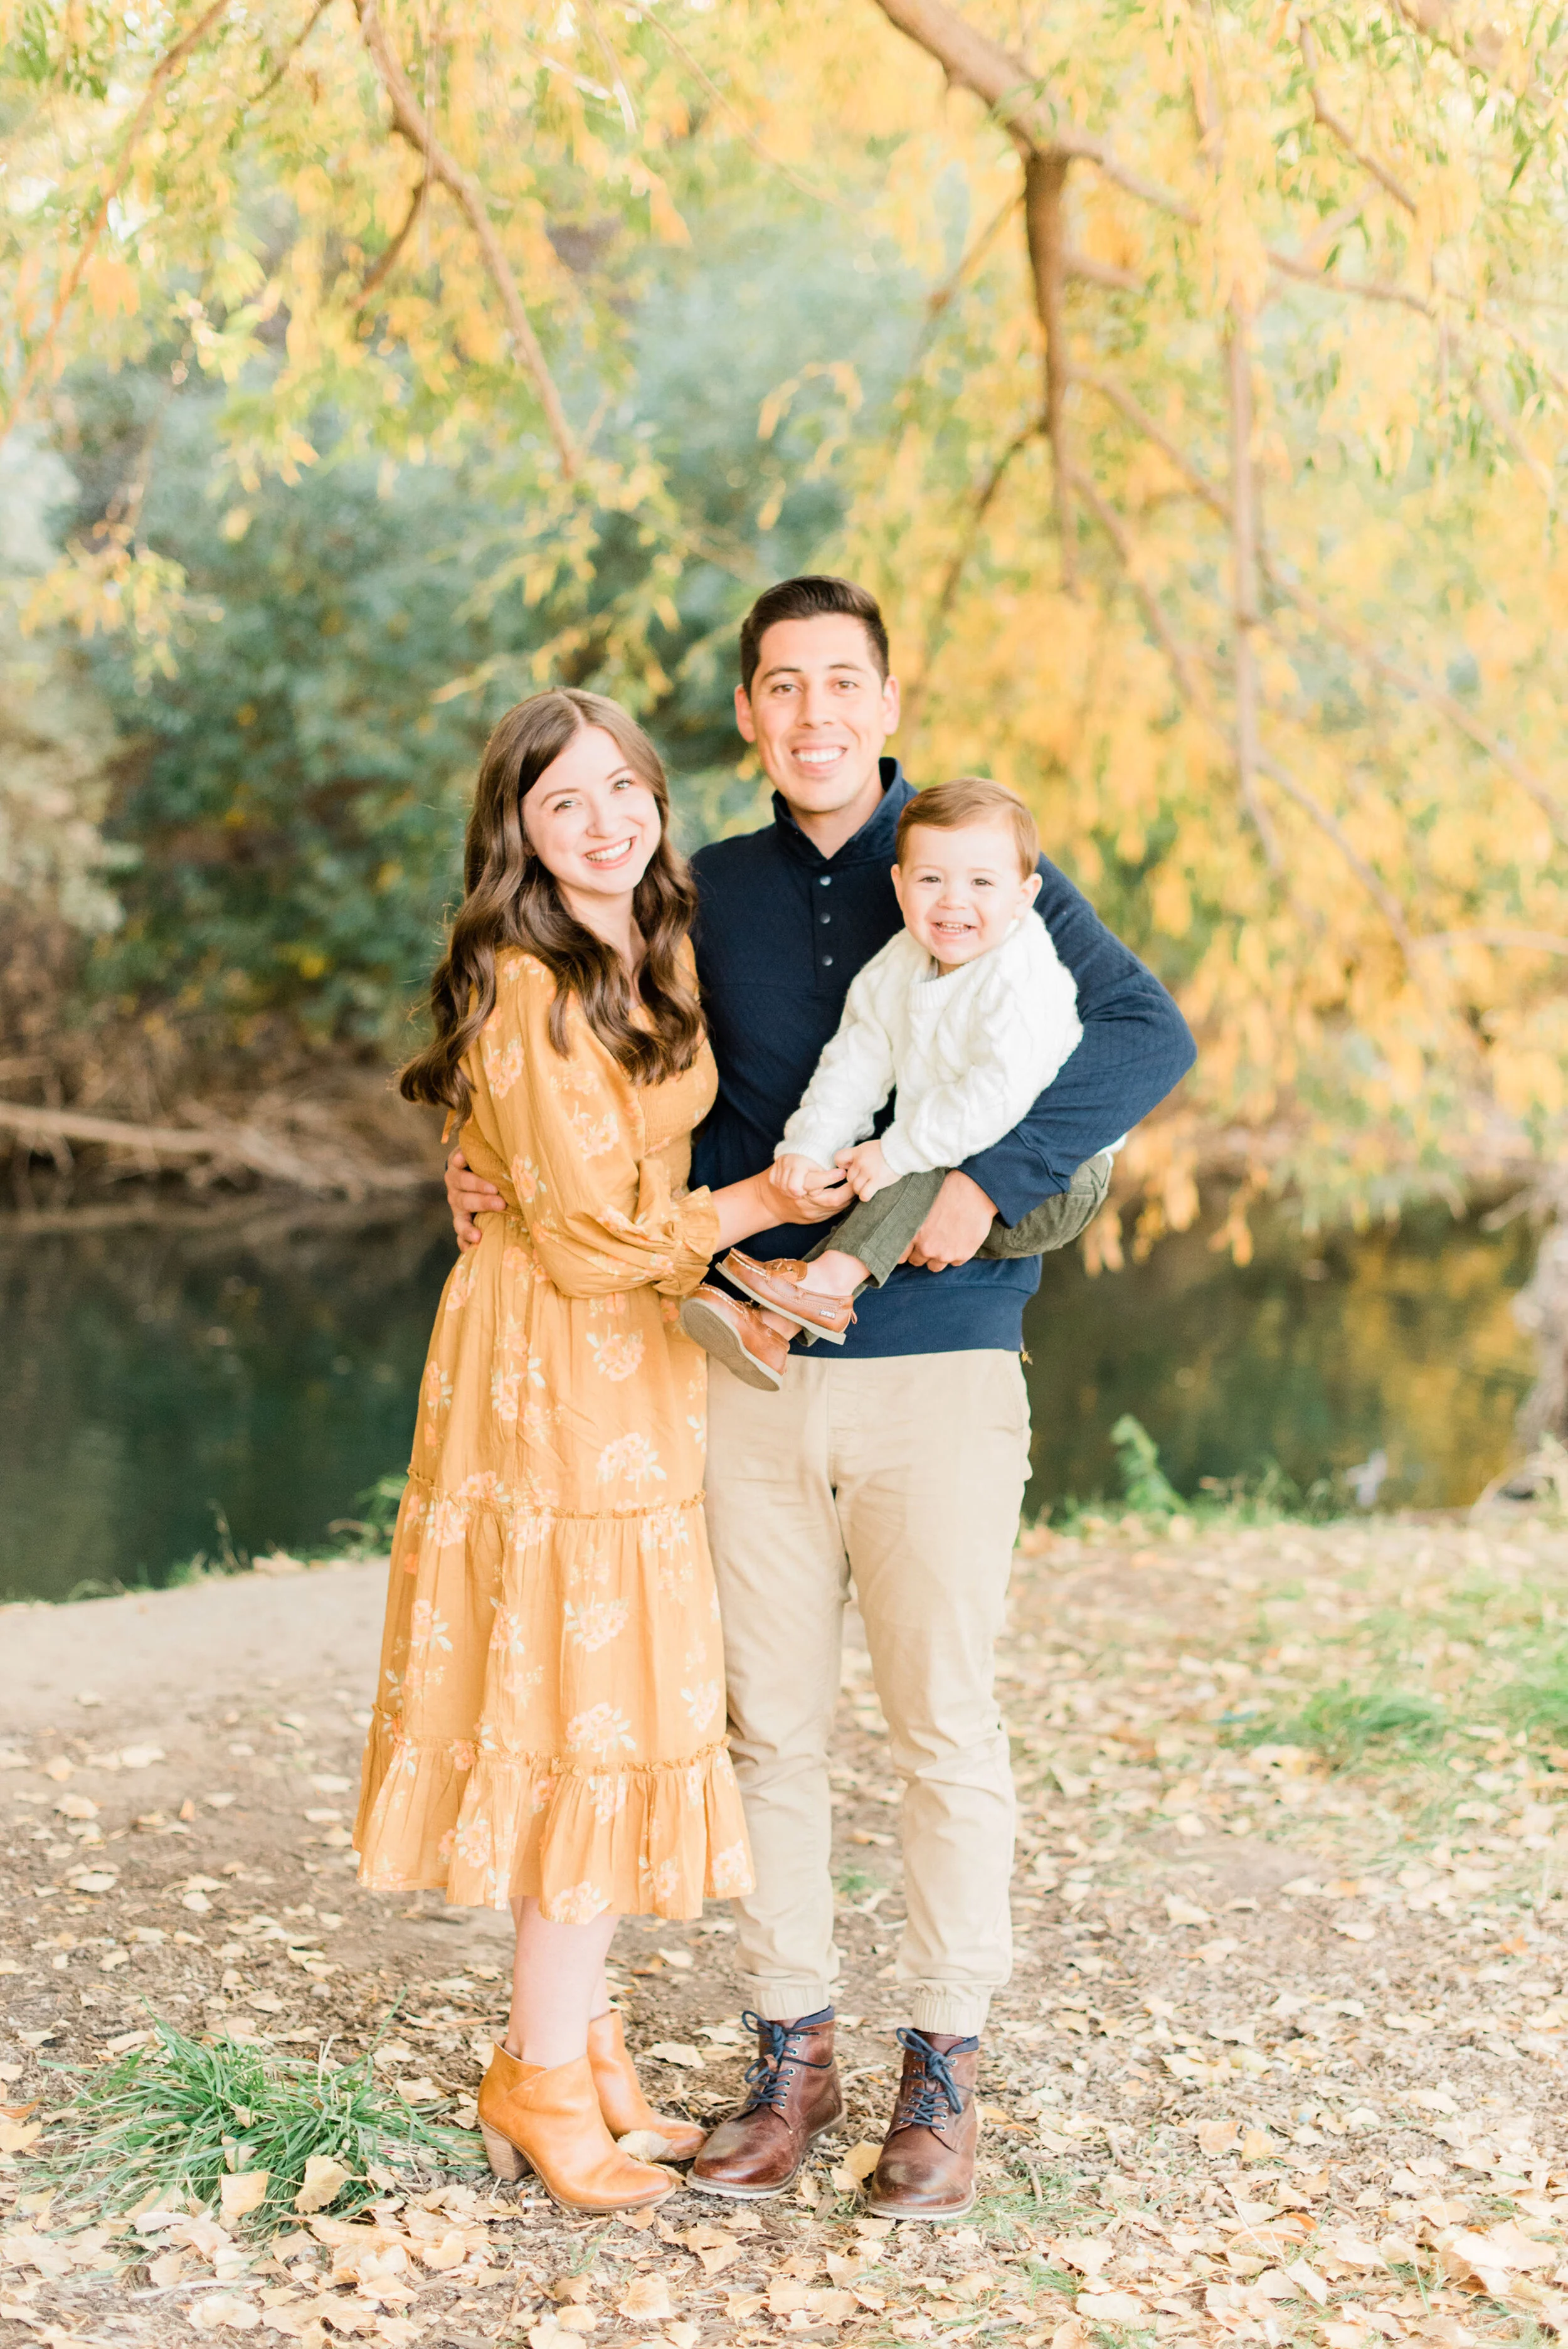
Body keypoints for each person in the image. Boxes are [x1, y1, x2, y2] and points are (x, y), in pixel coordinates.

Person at [446, 578, 1196, 2222]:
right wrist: (478, 1152)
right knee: (765, 1734)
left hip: (940, 1366)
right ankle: (793, 2055)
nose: (812, 715)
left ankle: (944, 2072)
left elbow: (1147, 1033)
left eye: (839, 683)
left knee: (941, 1729)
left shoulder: (965, 855)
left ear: (885, 694)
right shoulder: (692, 885)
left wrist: (991, 1182)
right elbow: (584, 1051)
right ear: (744, 715)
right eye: (779, 687)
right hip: (749, 1370)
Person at [354, 687, 843, 2217]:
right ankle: (540, 2077)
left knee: (622, 1697)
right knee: (579, 1706)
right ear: (518, 829)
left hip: (637, 1350)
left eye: (622, 790)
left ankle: (578, 2040)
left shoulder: (652, 939)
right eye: (564, 803)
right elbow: (572, 1234)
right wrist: (759, 1212)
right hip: (548, 1360)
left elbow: (606, 1165)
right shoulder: (521, 974)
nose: (603, 822)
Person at [685, 776, 1086, 1386]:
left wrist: (895, 1151)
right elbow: (855, 1062)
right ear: (898, 885)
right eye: (931, 879)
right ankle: (772, 1330)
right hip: (956, 1142)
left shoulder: (1023, 974)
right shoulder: (900, 962)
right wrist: (808, 1148)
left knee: (904, 1164)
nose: (953, 901)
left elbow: (998, 1097)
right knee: (876, 1163)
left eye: (981, 882)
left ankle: (822, 1286)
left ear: (1024, 894)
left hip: (1052, 1176)